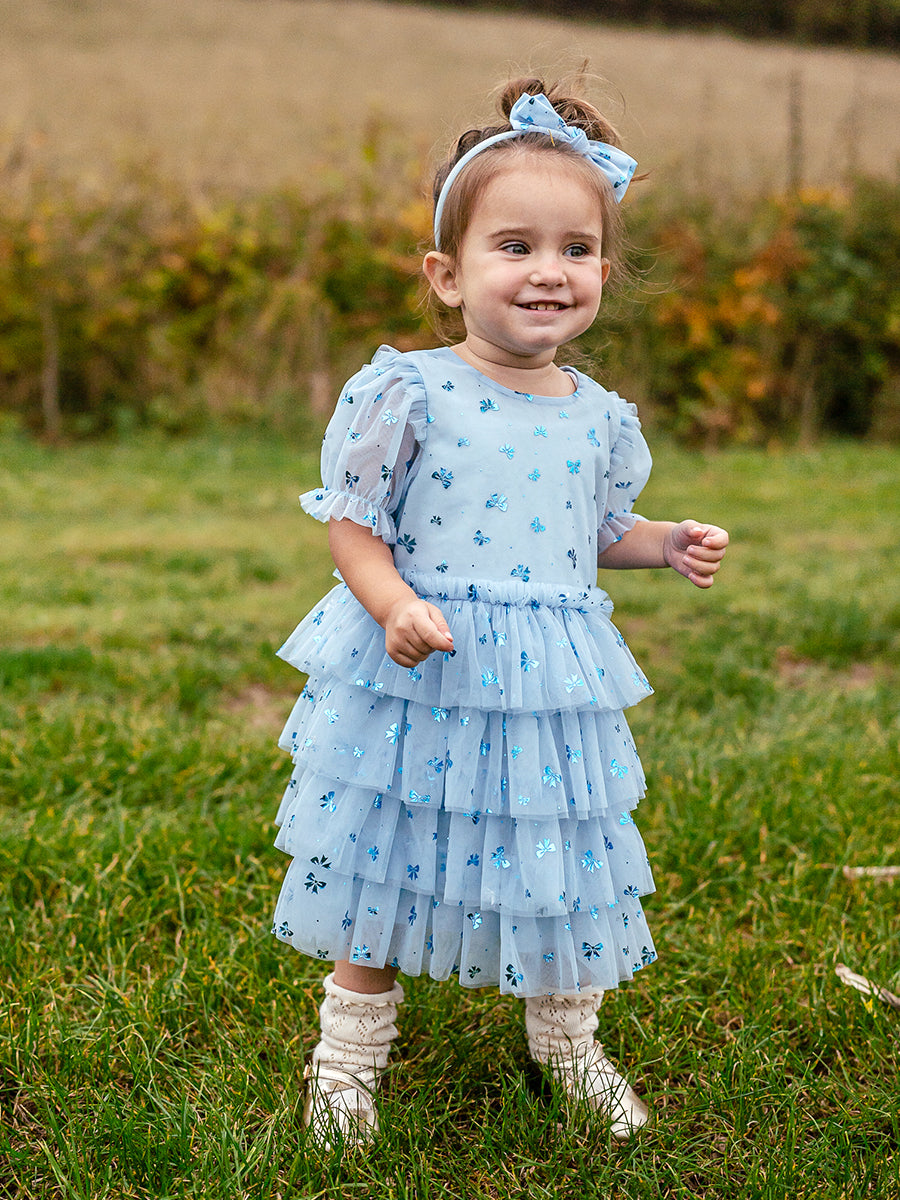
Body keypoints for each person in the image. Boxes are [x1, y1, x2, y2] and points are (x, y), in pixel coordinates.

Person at [271, 75, 729, 1148]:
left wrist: (662, 542)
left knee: (559, 859)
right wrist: (392, 604)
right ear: (447, 273)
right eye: (514, 246)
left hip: (545, 687)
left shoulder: (600, 417)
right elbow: (354, 525)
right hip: (420, 669)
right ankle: (349, 1056)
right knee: (385, 854)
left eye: (576, 250)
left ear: (603, 272)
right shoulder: (410, 392)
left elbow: (590, 532)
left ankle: (567, 1040)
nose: (548, 271)